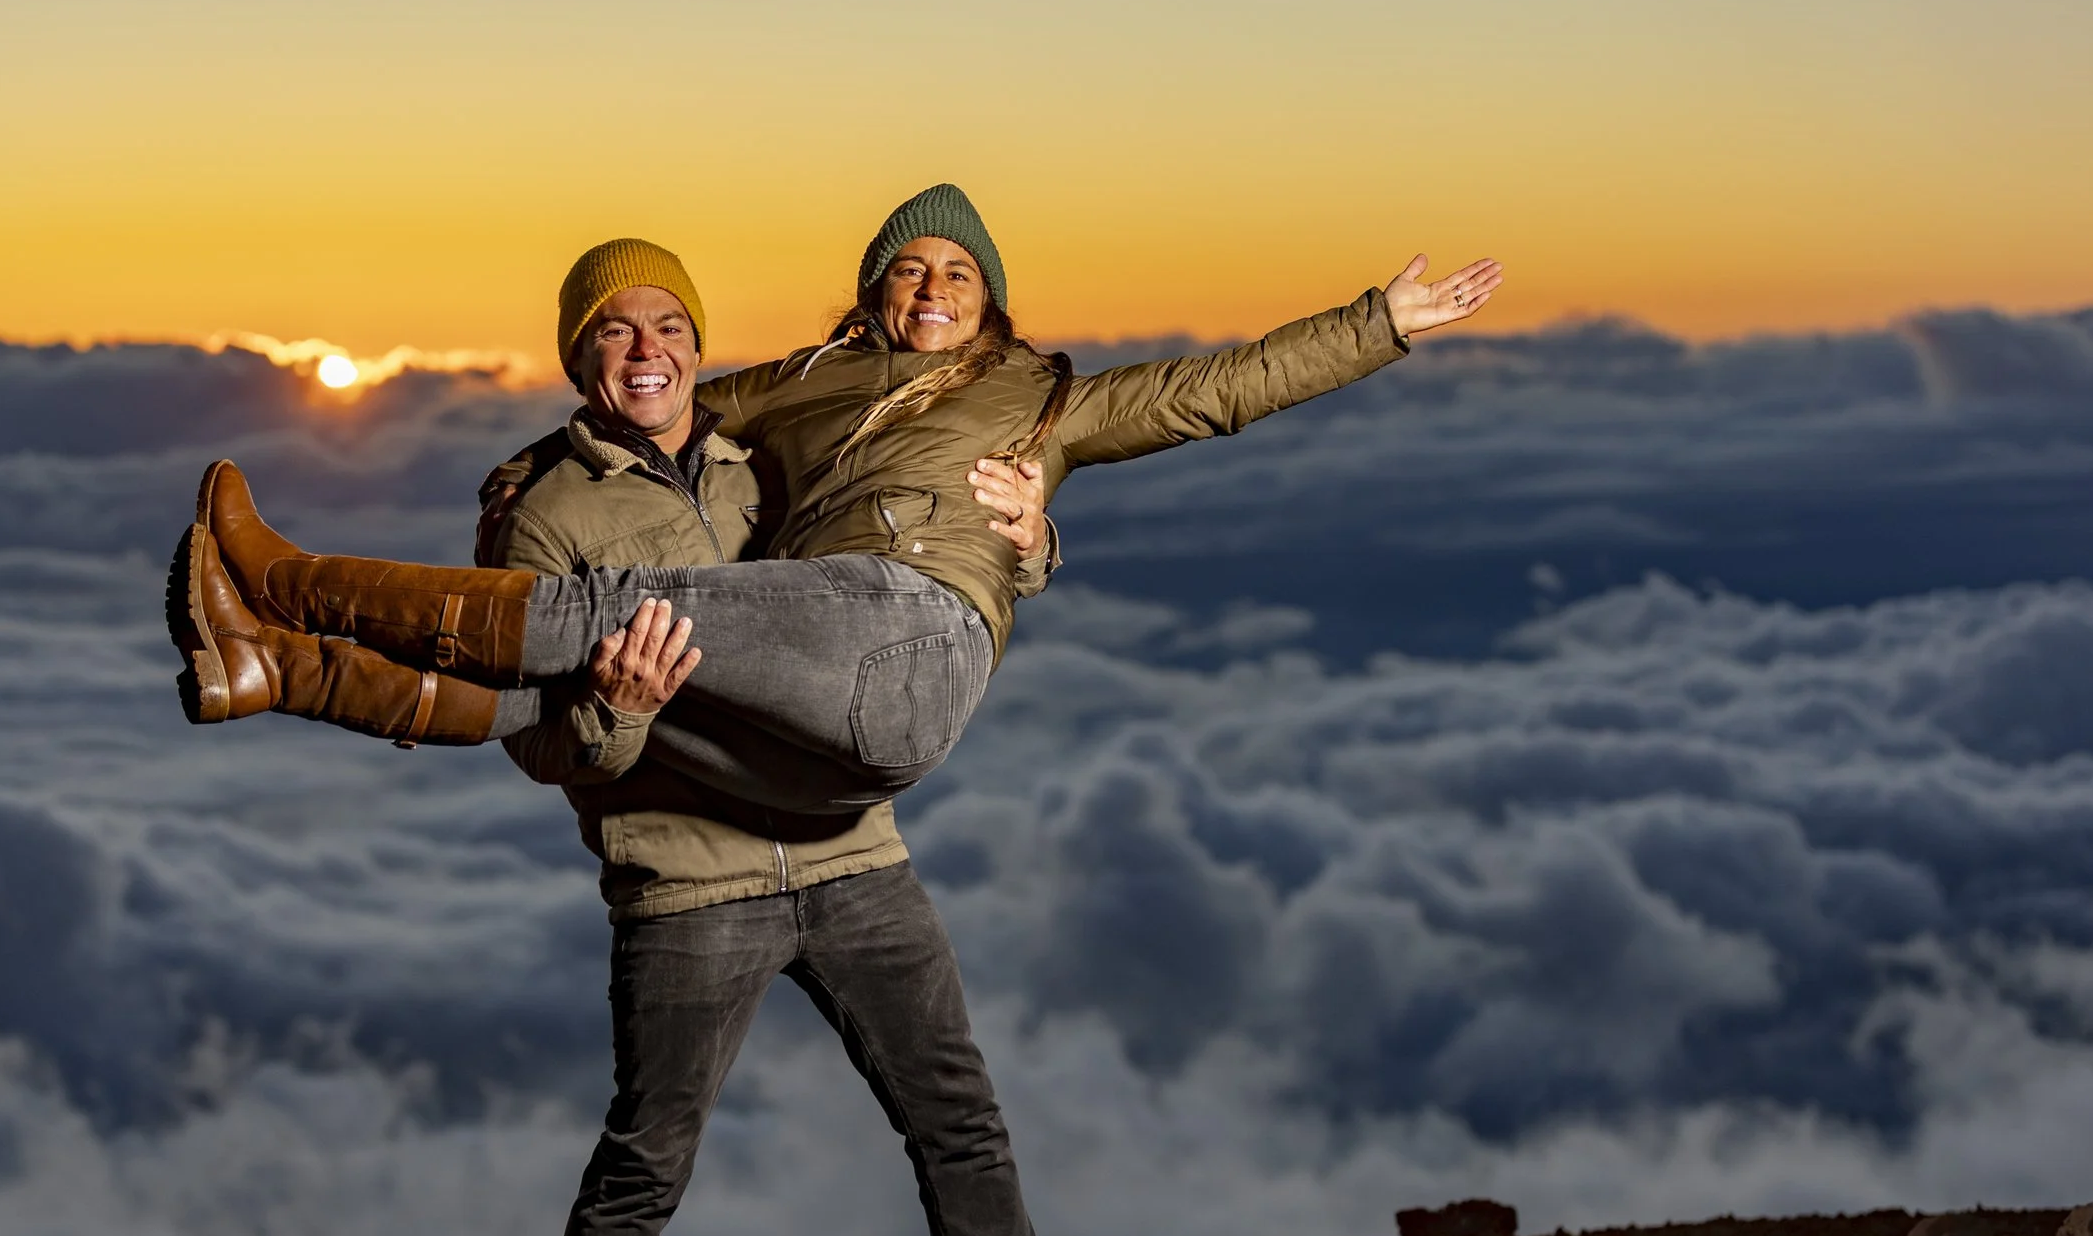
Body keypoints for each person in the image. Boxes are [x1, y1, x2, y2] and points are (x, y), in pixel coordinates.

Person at [480, 242, 1153, 1236]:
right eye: (614, 332)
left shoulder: (761, 466)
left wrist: (1032, 542)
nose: (647, 351)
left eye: (669, 324)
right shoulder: (545, 510)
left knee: (956, 1111)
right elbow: (542, 740)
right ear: (578, 354)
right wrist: (613, 720)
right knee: (644, 1161)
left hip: (851, 853)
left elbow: (892, 557)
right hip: (693, 877)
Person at [167, 184, 1500, 817]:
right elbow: (668, 411)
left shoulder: (1044, 399)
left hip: (909, 638)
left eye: (957, 276)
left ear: (990, 299)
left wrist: (1378, 321)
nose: (931, 290)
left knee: (599, 611)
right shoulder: (803, 388)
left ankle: (290, 583)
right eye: (908, 272)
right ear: (873, 291)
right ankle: (277, 670)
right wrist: (538, 461)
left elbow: (1220, 387)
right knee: (585, 680)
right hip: (822, 706)